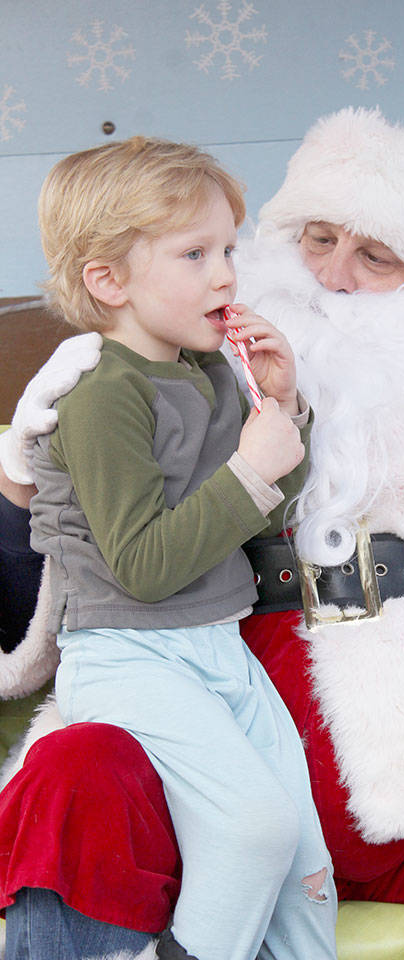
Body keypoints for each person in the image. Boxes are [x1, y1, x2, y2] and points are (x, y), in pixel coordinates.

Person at [1, 107, 404, 959]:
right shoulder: (177, 385)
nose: (333, 277)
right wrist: (17, 483)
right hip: (208, 767)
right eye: (315, 238)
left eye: (375, 256)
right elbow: (65, 594)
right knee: (73, 771)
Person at [1, 136, 337, 960]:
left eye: (228, 249)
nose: (226, 274)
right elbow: (145, 569)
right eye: (195, 254)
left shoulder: (211, 372)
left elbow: (256, 521)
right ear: (108, 280)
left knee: (304, 870)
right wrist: (253, 467)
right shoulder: (99, 395)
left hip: (217, 647)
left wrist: (281, 412)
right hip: (131, 654)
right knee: (253, 830)